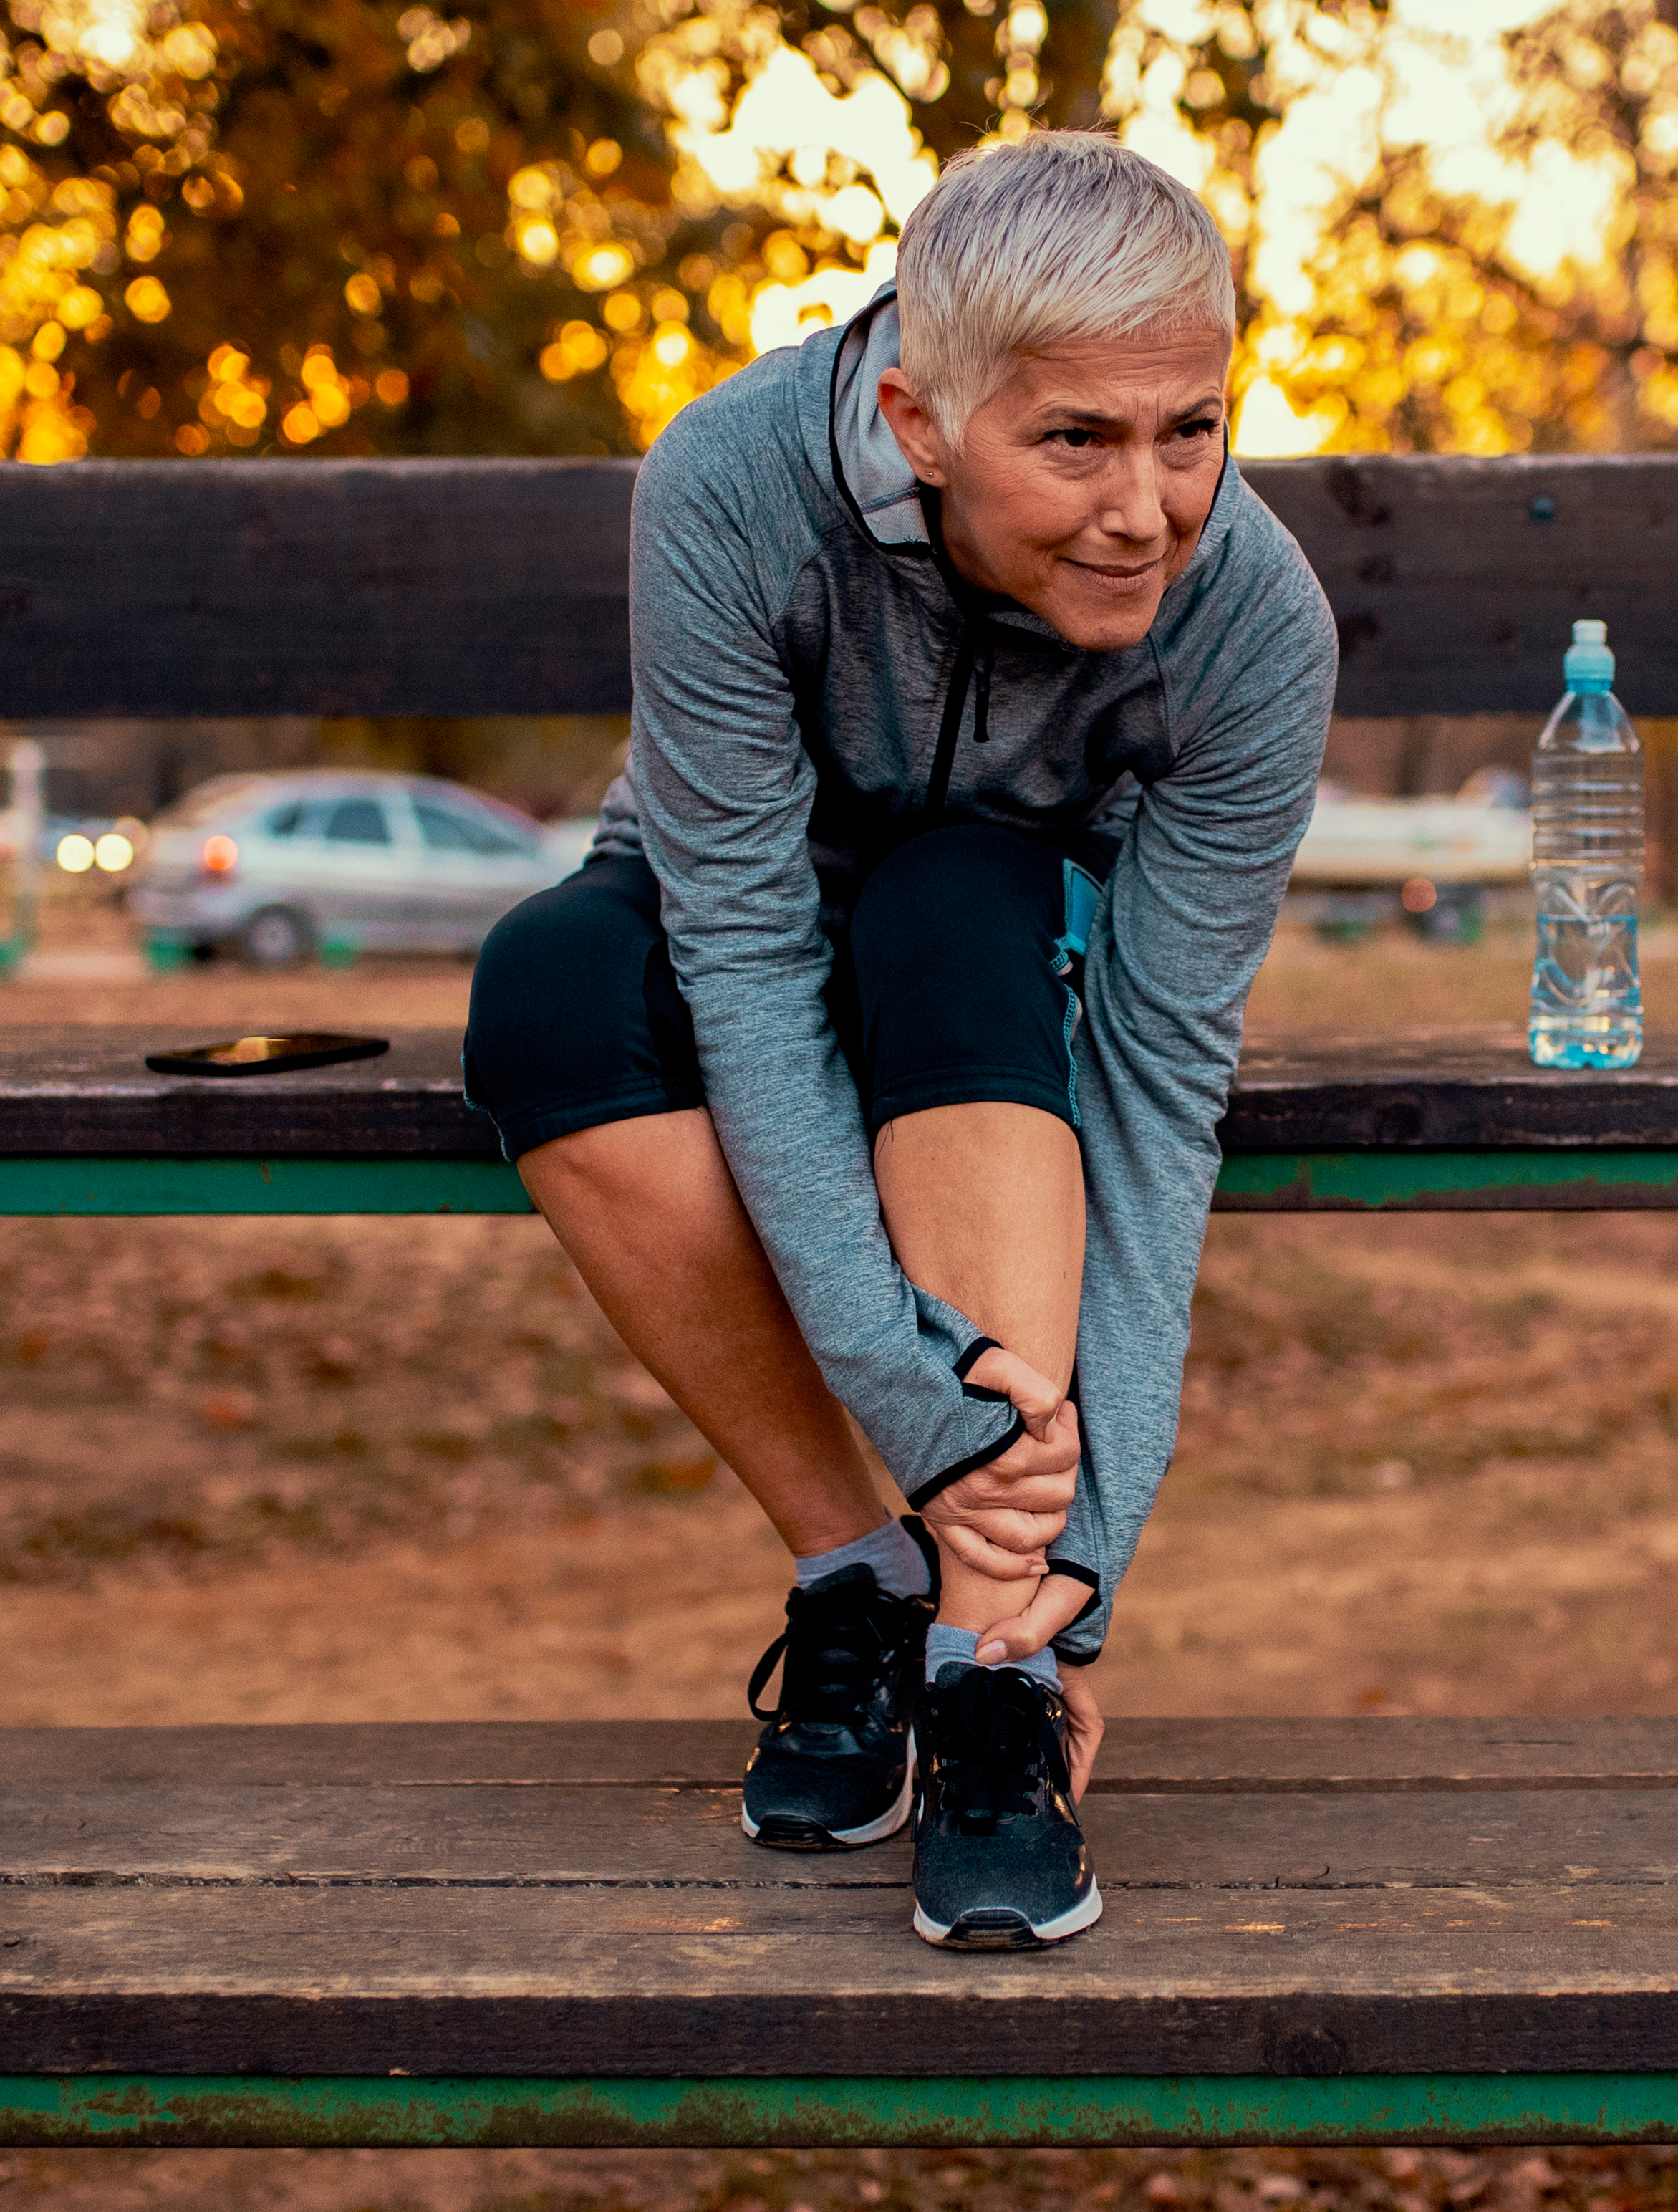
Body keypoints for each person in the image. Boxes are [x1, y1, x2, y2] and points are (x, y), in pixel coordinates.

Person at [459, 133, 1335, 1950]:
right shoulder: (729, 479)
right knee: (542, 985)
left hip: (994, 948)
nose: (1149, 507)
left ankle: (991, 1668)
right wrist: (912, 1418)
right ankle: (860, 1569)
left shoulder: (1257, 626)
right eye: (1075, 440)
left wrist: (1076, 1557)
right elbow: (750, 951)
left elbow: (1163, 1078)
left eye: (1192, 425)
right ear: (922, 417)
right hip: (732, 900)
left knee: (953, 893)